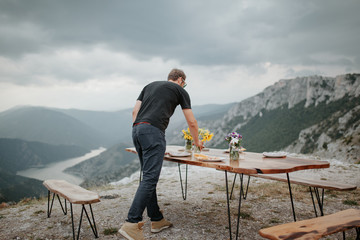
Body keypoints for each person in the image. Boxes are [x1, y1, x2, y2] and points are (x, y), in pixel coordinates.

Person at [119, 68, 203, 240]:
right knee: (150, 178)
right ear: (180, 79)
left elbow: (134, 112)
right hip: (153, 132)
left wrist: (140, 130)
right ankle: (132, 223)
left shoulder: (149, 86)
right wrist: (197, 141)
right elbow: (192, 122)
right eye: (184, 83)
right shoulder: (180, 90)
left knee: (148, 176)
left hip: (136, 130)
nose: (184, 85)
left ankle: (156, 219)